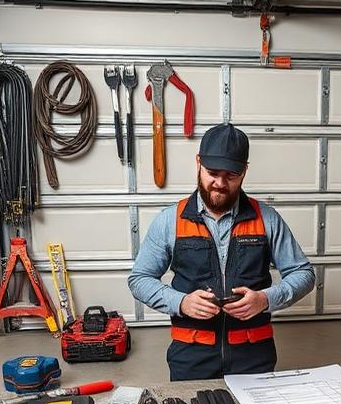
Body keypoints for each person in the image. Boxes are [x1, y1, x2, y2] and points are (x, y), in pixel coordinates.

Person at [128, 123, 315, 380]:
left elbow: (304, 274)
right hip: (191, 357)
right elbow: (139, 279)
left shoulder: (267, 219)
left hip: (254, 356)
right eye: (212, 173)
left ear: (244, 171)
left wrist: (265, 299)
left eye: (231, 175)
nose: (220, 183)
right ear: (198, 163)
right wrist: (181, 302)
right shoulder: (170, 220)